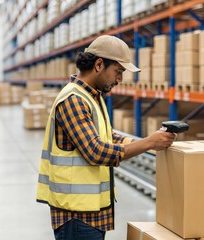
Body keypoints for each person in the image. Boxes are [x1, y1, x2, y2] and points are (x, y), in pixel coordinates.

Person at [36, 35, 176, 240]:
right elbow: (96, 152)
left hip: (92, 212)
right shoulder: (73, 100)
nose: (120, 79)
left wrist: (150, 142)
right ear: (99, 65)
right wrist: (149, 143)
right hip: (76, 215)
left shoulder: (92, 97)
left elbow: (109, 138)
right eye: (118, 71)